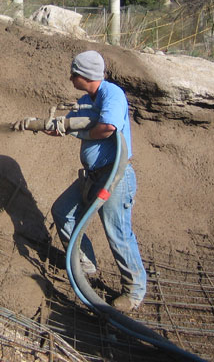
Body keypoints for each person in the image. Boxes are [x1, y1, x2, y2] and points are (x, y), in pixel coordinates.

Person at [49, 50, 146, 312]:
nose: (70, 77)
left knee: (118, 235)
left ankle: (134, 291)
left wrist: (81, 133)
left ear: (85, 75)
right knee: (62, 212)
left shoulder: (112, 94)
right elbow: (68, 124)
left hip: (114, 176)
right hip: (92, 177)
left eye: (74, 73)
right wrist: (53, 126)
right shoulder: (85, 99)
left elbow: (108, 128)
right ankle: (86, 264)